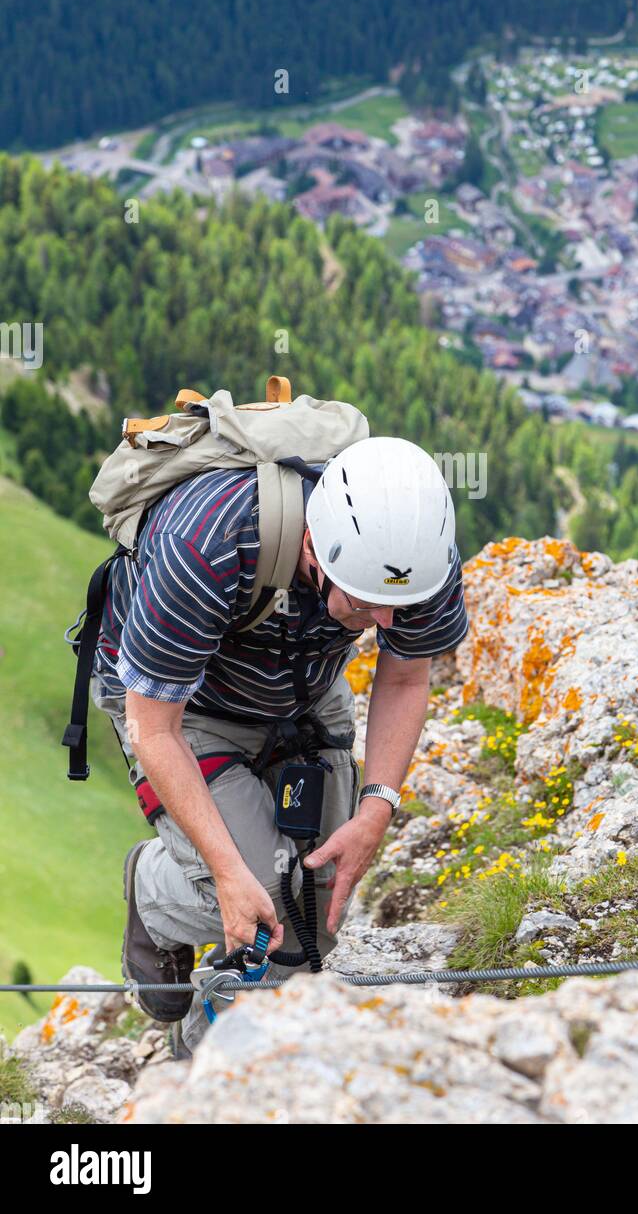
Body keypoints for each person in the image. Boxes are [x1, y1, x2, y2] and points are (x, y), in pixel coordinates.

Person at [89, 436, 468, 1053]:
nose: (390, 622)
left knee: (313, 912)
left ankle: (229, 1060)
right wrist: (227, 872)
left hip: (304, 690)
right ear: (314, 548)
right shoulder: (206, 543)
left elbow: (406, 672)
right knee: (264, 896)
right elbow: (153, 729)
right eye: (369, 603)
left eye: (401, 604)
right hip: (184, 707)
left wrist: (377, 808)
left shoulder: (417, 561)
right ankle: (156, 894)